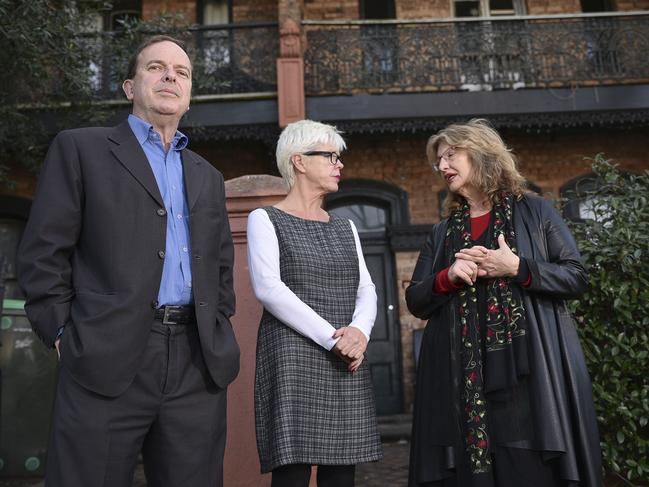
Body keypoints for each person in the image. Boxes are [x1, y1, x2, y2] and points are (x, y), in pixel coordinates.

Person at [17, 35, 239, 487]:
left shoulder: (207, 175)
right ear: (128, 87)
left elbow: (220, 265)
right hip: (104, 355)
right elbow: (43, 252)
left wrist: (217, 324)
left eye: (182, 71)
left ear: (190, 93)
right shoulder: (80, 149)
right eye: (156, 67)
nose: (171, 76)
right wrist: (61, 333)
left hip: (197, 364)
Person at [407, 119, 602, 487]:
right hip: (460, 379)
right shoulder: (444, 230)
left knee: (524, 470)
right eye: (439, 161)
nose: (443, 167)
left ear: (480, 154)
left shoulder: (534, 210)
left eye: (451, 155)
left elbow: (575, 275)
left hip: (524, 373)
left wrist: (517, 267)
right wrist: (447, 277)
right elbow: (416, 299)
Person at [246, 119, 383, 487]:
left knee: (342, 473)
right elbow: (269, 289)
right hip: (293, 358)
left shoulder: (345, 227)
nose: (340, 165)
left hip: (347, 359)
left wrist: (358, 333)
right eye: (330, 156)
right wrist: (333, 338)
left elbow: (366, 288)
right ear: (299, 161)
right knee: (291, 473)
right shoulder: (264, 219)